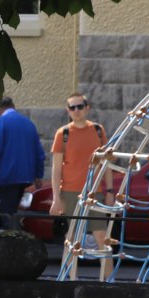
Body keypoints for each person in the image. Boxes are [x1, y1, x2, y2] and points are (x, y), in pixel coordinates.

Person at [48, 92, 113, 263]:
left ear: (87, 108)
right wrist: (56, 198)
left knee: (102, 238)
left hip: (95, 191)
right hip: (70, 192)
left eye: (80, 106)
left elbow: (106, 164)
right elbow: (56, 169)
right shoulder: (63, 133)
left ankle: (108, 277)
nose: (76, 110)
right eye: (72, 107)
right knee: (71, 239)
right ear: (68, 110)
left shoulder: (98, 130)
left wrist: (110, 191)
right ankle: (69, 277)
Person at [0, 96, 44, 230]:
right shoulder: (28, 123)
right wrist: (38, 174)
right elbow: (39, 153)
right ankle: (16, 235)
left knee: (7, 215)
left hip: (6, 176)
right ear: (13, 106)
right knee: (14, 212)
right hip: (25, 176)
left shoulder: (0, 122)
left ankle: (12, 239)